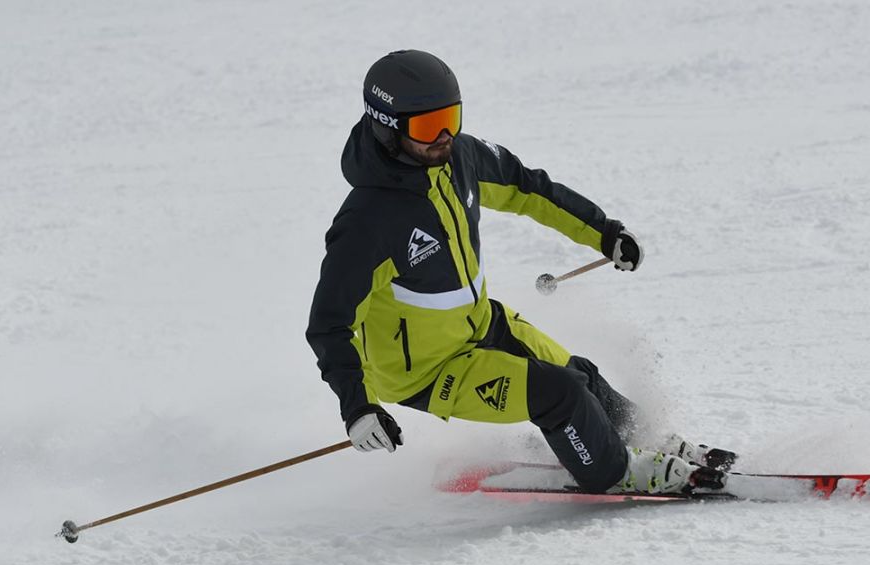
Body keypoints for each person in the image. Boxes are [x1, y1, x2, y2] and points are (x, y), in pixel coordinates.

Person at [306, 49, 733, 495]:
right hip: (427, 372)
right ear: (387, 128)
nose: (445, 136)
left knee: (580, 374)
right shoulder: (367, 223)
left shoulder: (460, 160)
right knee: (559, 394)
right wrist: (358, 408)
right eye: (428, 127)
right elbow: (330, 325)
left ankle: (647, 440)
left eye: (451, 118)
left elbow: (528, 189)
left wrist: (604, 233)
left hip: (480, 323)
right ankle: (613, 472)